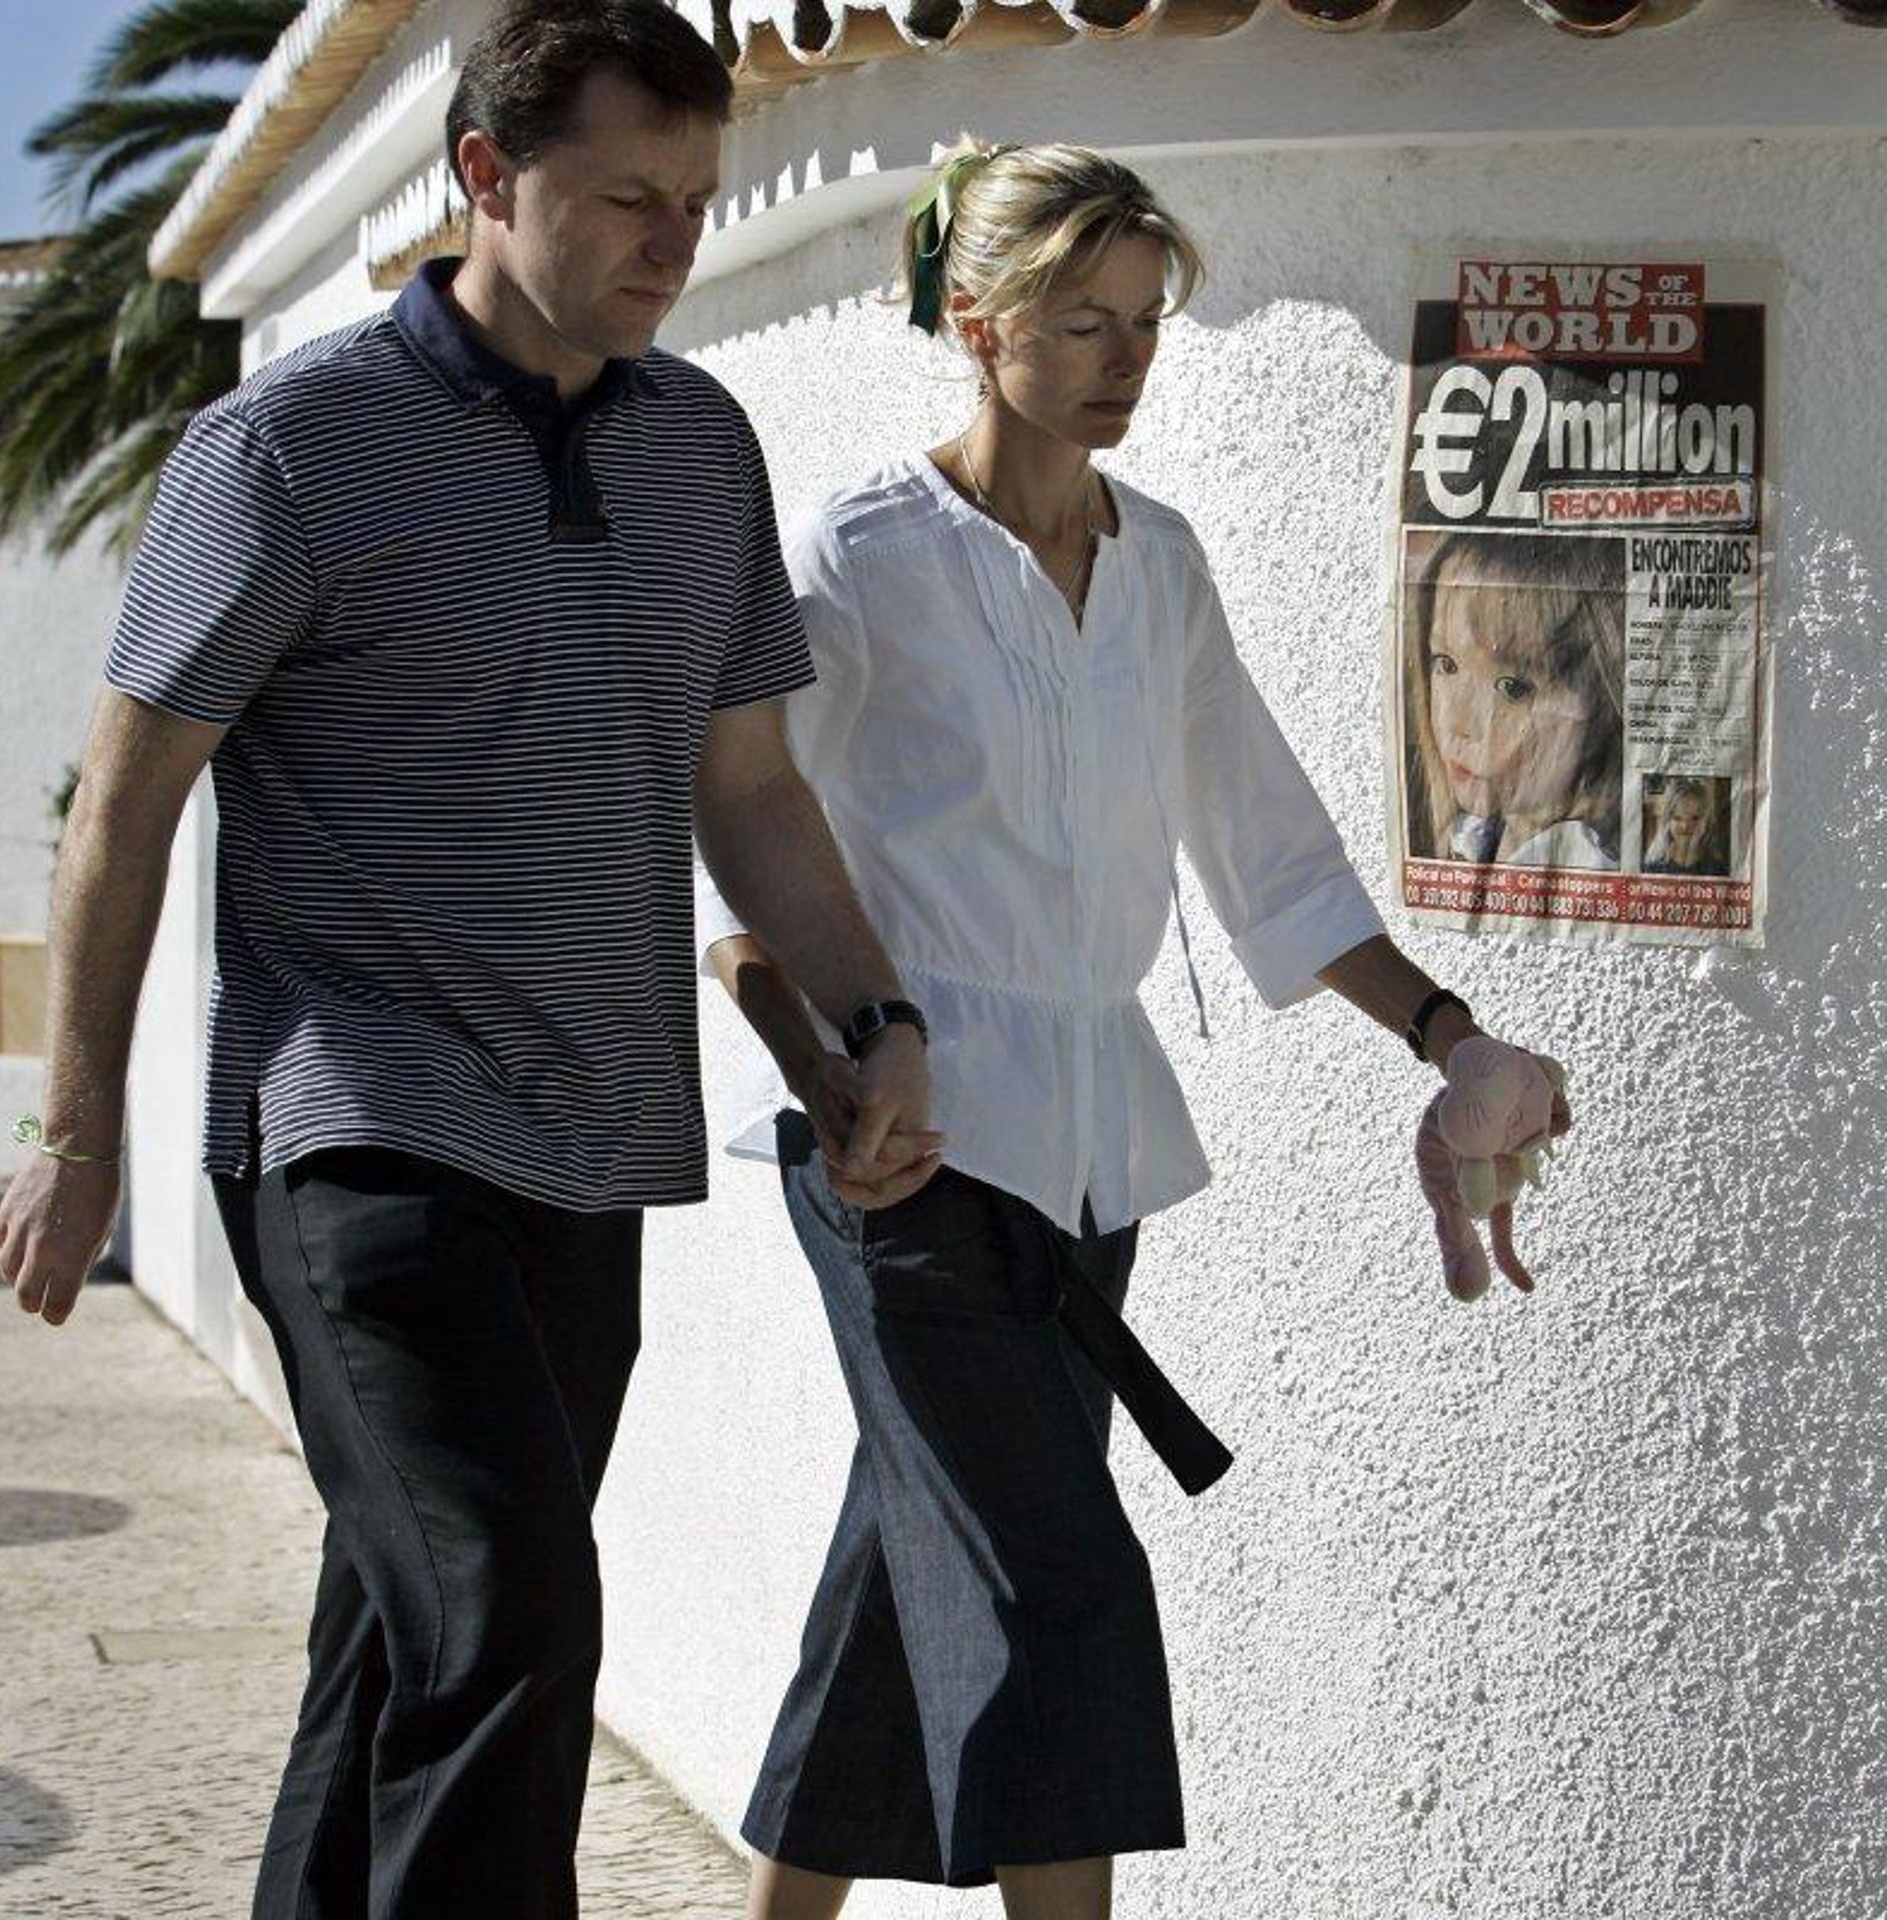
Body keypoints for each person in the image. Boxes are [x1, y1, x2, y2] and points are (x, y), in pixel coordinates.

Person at [0, 5, 933, 1916]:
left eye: (698, 201)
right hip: (352, 1133)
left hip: (594, 1145)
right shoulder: (285, 451)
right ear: (485, 178)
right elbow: (125, 801)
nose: (674, 241)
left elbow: (748, 787)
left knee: (405, 1635)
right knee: (511, 1611)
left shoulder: (701, 448)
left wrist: (870, 1019)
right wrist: (75, 1130)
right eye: (629, 197)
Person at [698, 141, 1571, 1920]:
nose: (1124, 359)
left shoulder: (1160, 563)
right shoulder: (858, 555)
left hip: (1094, 1152)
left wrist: (1450, 1038)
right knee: (1059, 1589)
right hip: (904, 1158)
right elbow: (727, 860)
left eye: (1145, 321)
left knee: (904, 1580)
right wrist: (825, 1066)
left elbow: (1271, 851)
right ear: (977, 320)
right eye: (1080, 320)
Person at [1403, 529, 1625, 871]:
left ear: (1602, 709)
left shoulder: (1587, 865)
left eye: (1513, 688)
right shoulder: (1474, 834)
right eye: (1445, 664)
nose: (1457, 724)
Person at [1643, 775, 1726, 874]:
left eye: (1695, 818)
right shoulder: (1652, 868)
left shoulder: (1717, 869)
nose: (1685, 826)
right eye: (1677, 818)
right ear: (1667, 822)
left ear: (1707, 822)